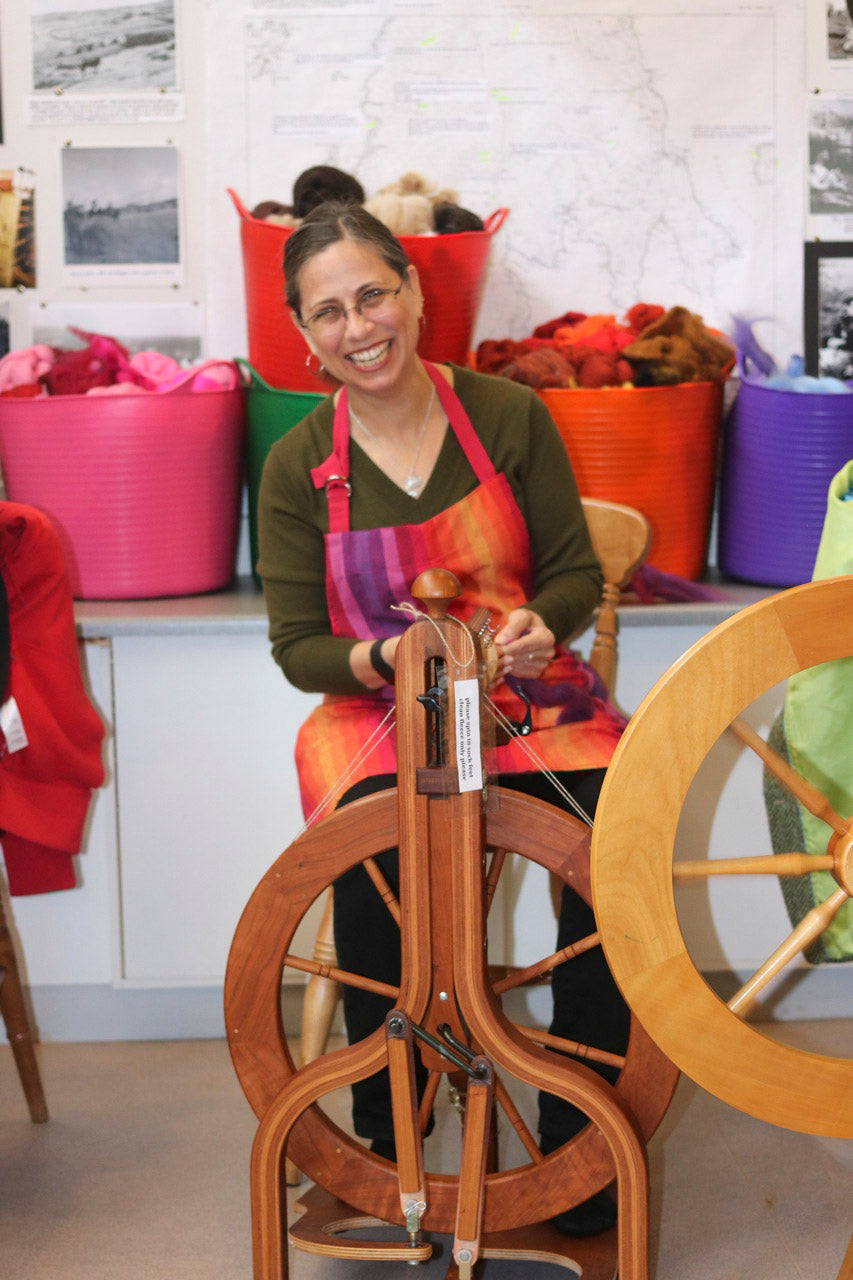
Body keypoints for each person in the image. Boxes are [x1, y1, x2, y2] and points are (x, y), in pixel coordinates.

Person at [257, 201, 630, 1236]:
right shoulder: (297, 466)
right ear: (303, 334)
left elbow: (569, 574)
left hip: (522, 694)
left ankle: (579, 1139)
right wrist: (385, 656)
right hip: (378, 703)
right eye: (327, 311)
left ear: (414, 293)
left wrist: (536, 626)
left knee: (605, 845)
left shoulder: (508, 416)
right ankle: (395, 1142)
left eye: (373, 293)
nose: (358, 325)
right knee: (379, 852)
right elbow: (297, 648)